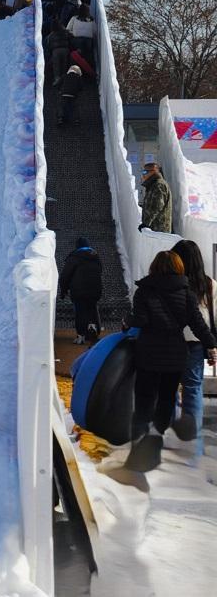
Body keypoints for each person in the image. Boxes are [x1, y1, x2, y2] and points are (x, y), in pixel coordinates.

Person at [122, 250, 215, 471]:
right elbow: (197, 324)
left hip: (149, 354)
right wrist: (211, 344)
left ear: (155, 266)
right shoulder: (186, 293)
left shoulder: (144, 291)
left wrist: (127, 321)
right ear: (178, 268)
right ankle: (156, 438)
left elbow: (141, 320)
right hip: (175, 354)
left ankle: (139, 446)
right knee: (166, 398)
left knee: (144, 399)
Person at [169, 239, 217, 448]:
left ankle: (168, 437)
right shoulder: (208, 284)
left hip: (169, 341)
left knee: (168, 388)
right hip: (197, 343)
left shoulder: (170, 282)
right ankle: (192, 441)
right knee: (193, 389)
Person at [59, 237, 102, 344]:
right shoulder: (96, 257)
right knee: (92, 308)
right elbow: (100, 271)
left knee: (80, 311)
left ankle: (81, 335)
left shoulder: (74, 257)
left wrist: (63, 290)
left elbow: (65, 276)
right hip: (95, 289)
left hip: (78, 291)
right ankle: (93, 328)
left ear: (77, 246)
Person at [139, 162, 172, 233]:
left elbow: (157, 206)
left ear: (153, 171)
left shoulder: (159, 185)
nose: (143, 174)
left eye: (145, 172)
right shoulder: (153, 185)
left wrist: (146, 223)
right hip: (154, 229)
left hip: (159, 230)